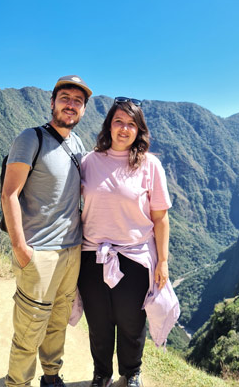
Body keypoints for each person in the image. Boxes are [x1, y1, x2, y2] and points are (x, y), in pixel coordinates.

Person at [75, 97, 179, 387]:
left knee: (132, 323)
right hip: (92, 256)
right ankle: (102, 373)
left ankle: (131, 372)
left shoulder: (150, 166)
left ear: (139, 130)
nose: (124, 128)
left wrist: (164, 261)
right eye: (119, 121)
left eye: (131, 124)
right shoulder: (88, 162)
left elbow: (161, 218)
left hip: (135, 258)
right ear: (109, 125)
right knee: (98, 322)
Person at [2, 75, 91, 387]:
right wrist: (21, 250)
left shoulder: (77, 144)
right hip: (39, 251)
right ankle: (18, 382)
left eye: (77, 101)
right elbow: (9, 194)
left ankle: (51, 375)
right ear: (52, 103)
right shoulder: (30, 139)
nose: (71, 105)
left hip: (72, 250)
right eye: (65, 97)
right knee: (30, 327)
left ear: (83, 110)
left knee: (58, 320)